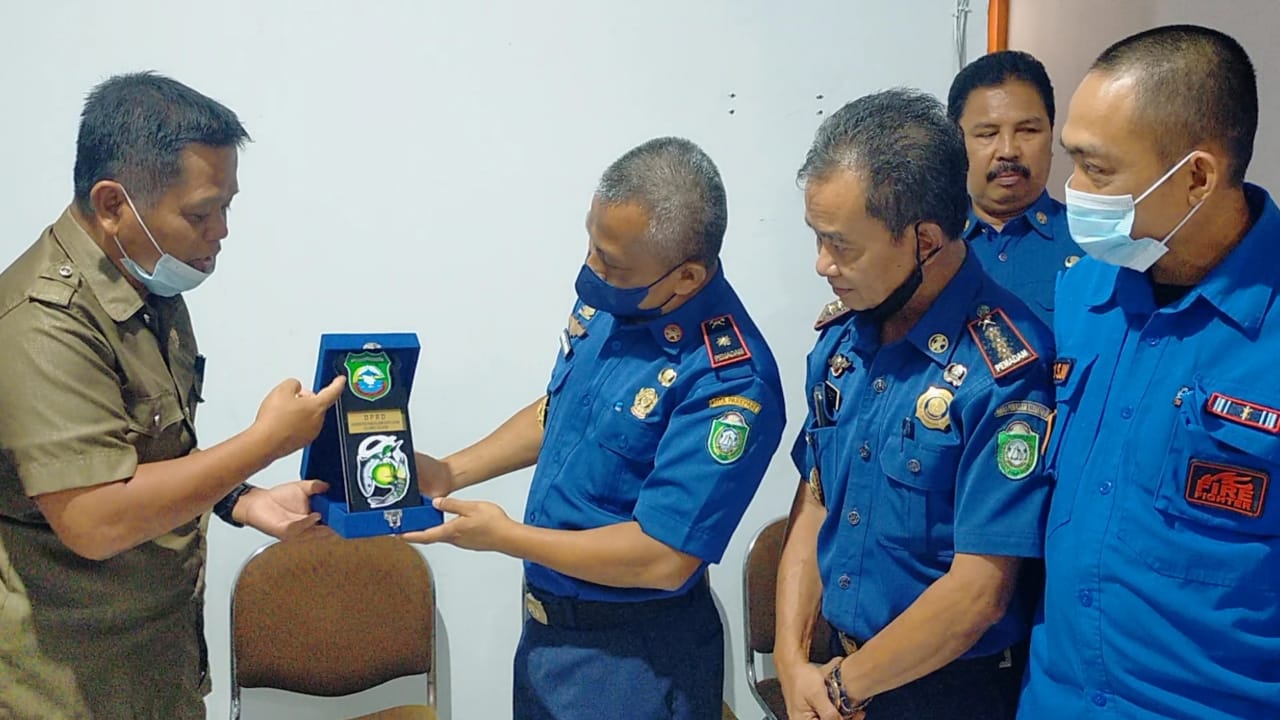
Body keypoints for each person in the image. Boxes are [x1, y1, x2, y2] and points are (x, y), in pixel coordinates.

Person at [402, 137, 785, 719]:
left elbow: (663, 557)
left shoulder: (728, 379)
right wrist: (451, 471)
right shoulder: (622, 302)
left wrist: (506, 537)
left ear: (686, 277)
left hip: (634, 660)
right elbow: (564, 411)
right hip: (548, 640)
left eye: (612, 263)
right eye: (592, 244)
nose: (591, 269)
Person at [0, 72, 344, 719]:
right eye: (200, 213)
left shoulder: (148, 285)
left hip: (157, 665)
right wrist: (264, 442)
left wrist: (241, 499)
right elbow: (95, 518)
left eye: (227, 207)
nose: (221, 232)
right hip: (66, 687)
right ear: (112, 204)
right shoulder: (43, 322)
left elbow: (150, 452)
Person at [1019, 25, 1279, 720]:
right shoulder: (1084, 292)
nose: (1073, 192)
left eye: (1098, 170)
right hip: (1054, 702)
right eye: (1072, 161)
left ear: (1196, 178)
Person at [774, 88, 1054, 720]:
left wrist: (842, 690)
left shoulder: (1004, 372)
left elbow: (978, 593)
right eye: (817, 239)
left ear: (924, 239)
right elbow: (817, 499)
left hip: (943, 691)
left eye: (841, 245)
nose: (822, 265)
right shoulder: (844, 342)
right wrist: (792, 662)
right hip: (834, 674)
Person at [948, 50, 1082, 322]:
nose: (1008, 151)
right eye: (988, 134)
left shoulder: (1091, 243)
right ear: (955, 143)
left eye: (1028, 131)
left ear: (1052, 135)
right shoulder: (929, 248)